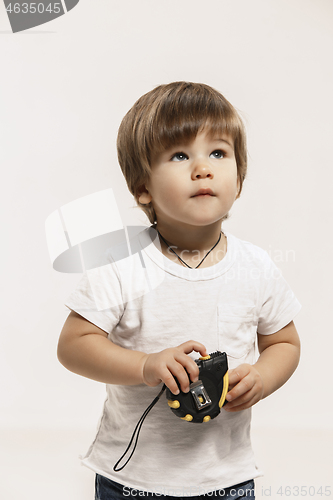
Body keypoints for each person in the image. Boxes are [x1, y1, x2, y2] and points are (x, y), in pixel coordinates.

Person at [57, 82, 301, 500]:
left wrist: (262, 375)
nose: (203, 168)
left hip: (225, 479)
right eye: (180, 155)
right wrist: (145, 365)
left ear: (239, 178)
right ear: (142, 187)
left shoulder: (256, 266)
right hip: (132, 479)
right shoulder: (121, 263)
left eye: (219, 153)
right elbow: (73, 346)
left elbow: (285, 343)